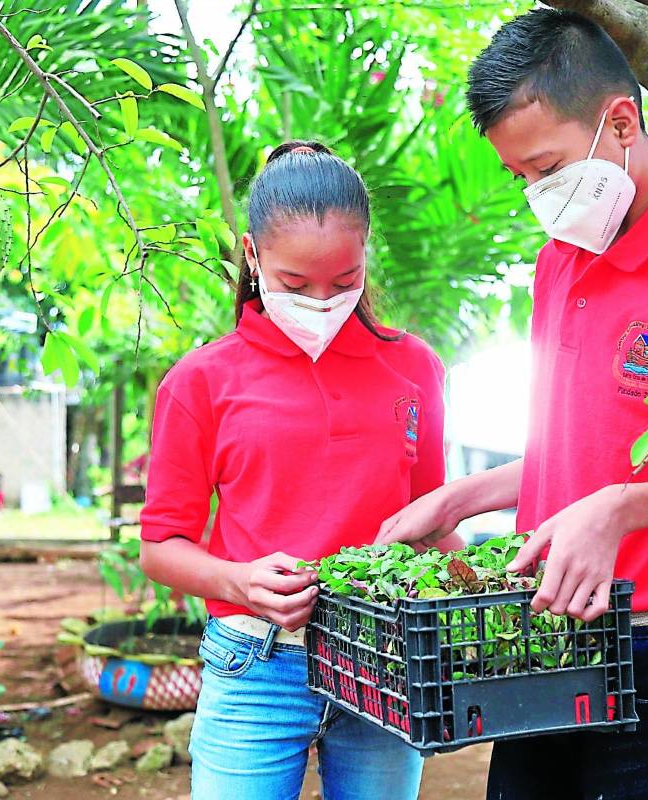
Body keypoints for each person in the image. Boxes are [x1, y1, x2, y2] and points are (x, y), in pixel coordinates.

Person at [376, 10, 648, 799]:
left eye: (546, 167)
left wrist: (617, 511)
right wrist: (462, 497)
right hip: (547, 637)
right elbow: (581, 449)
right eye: (521, 178)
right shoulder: (559, 263)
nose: (537, 193)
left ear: (620, 122)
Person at [138, 141, 458, 800]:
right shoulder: (199, 382)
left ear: (367, 254)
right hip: (254, 661)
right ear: (252, 257)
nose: (322, 300)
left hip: (387, 659)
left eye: (344, 281)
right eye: (294, 283)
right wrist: (239, 579)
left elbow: (431, 522)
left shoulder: (414, 368)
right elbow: (159, 546)